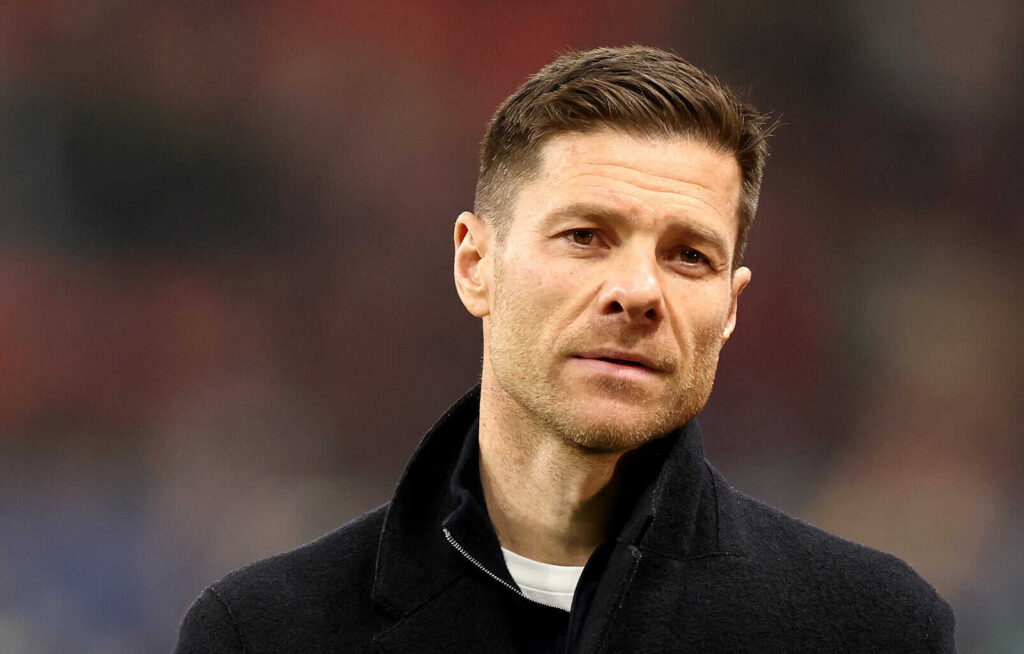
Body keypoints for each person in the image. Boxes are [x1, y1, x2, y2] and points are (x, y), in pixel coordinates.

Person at [174, 46, 956, 653]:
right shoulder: (266, 633)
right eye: (586, 236)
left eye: (689, 256)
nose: (640, 291)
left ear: (730, 309)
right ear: (475, 265)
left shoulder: (874, 630)